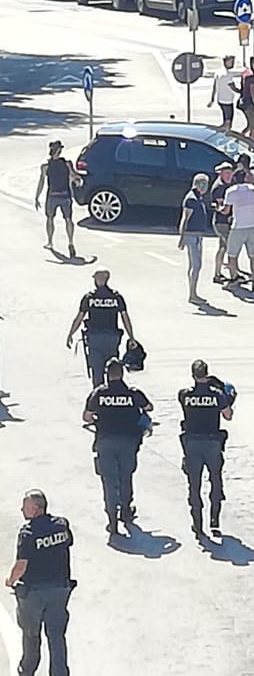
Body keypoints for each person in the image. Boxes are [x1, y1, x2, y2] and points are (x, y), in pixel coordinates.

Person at [8, 488, 74, 676]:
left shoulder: (28, 533)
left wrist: (10, 580)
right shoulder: (62, 525)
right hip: (60, 589)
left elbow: (21, 565)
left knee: (31, 635)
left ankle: (27, 670)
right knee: (56, 636)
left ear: (36, 508)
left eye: (25, 506)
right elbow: (68, 543)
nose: (22, 510)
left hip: (34, 594)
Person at [82, 358, 150, 536]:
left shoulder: (98, 394)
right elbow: (149, 406)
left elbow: (87, 417)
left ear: (107, 374)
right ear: (122, 374)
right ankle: (126, 511)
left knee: (109, 480)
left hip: (105, 442)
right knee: (125, 476)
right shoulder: (133, 393)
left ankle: (112, 519)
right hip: (128, 442)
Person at [177, 359, 234, 539]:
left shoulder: (184, 395)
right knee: (215, 480)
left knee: (194, 484)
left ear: (193, 376)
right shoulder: (217, 395)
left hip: (192, 443)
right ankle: (214, 520)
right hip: (212, 443)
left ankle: (197, 524)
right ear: (207, 374)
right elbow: (228, 416)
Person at [65, 268, 135, 387]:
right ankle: (114, 391)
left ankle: (98, 395)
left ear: (97, 280)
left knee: (97, 370)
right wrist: (131, 337)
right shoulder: (116, 297)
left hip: (95, 339)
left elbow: (79, 318)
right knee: (113, 368)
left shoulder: (89, 297)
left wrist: (70, 333)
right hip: (112, 338)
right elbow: (125, 318)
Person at [221, 162, 254, 291]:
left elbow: (226, 210)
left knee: (232, 254)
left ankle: (234, 277)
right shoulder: (253, 189)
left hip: (238, 226)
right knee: (253, 256)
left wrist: (219, 209)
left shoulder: (231, 191)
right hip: (253, 224)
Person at [34, 140, 77, 257]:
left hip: (52, 195)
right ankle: (70, 242)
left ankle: (50, 242)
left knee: (50, 219)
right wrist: (78, 180)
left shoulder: (45, 166)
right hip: (65, 195)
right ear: (60, 150)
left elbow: (41, 182)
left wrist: (37, 196)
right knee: (68, 219)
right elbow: (73, 176)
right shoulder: (67, 163)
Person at [177, 173, 211, 302]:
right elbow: (185, 219)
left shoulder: (199, 198)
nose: (204, 187)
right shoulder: (191, 199)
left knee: (195, 265)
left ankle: (193, 292)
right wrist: (182, 238)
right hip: (192, 236)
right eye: (201, 184)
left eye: (205, 184)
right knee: (195, 266)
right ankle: (192, 294)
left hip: (198, 235)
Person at [209, 55, 239, 131]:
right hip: (227, 100)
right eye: (231, 62)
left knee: (226, 118)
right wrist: (241, 92)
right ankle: (226, 133)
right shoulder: (227, 75)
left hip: (220, 99)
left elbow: (214, 86)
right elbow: (232, 86)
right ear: (226, 62)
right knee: (228, 120)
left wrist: (212, 99)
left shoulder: (218, 72)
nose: (232, 63)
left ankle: (224, 130)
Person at [237, 58, 254, 142]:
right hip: (249, 104)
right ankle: (252, 144)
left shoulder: (246, 74)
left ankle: (240, 138)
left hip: (244, 102)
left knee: (250, 125)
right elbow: (253, 93)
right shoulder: (252, 76)